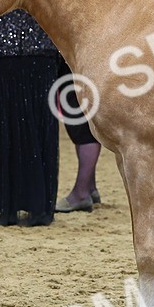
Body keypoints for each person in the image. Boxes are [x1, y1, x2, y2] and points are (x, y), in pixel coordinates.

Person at [0, 9, 62, 227]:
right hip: (37, 52)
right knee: (38, 133)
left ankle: (8, 205)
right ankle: (38, 205)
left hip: (0, 52)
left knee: (4, 133)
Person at [54, 57, 103, 213]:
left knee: (80, 118)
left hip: (77, 54)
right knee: (79, 113)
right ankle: (89, 186)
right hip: (84, 53)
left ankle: (81, 193)